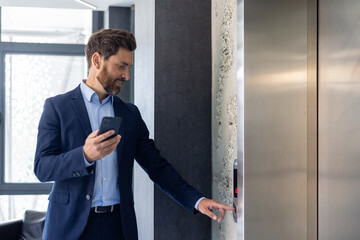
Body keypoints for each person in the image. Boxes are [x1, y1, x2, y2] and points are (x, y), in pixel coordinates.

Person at [34, 29, 233, 240]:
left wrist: (197, 200)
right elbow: (42, 168)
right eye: (121, 66)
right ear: (97, 60)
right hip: (69, 228)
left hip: (118, 226)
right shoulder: (57, 107)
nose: (126, 76)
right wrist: (84, 155)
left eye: (129, 67)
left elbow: (157, 166)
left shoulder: (129, 114)